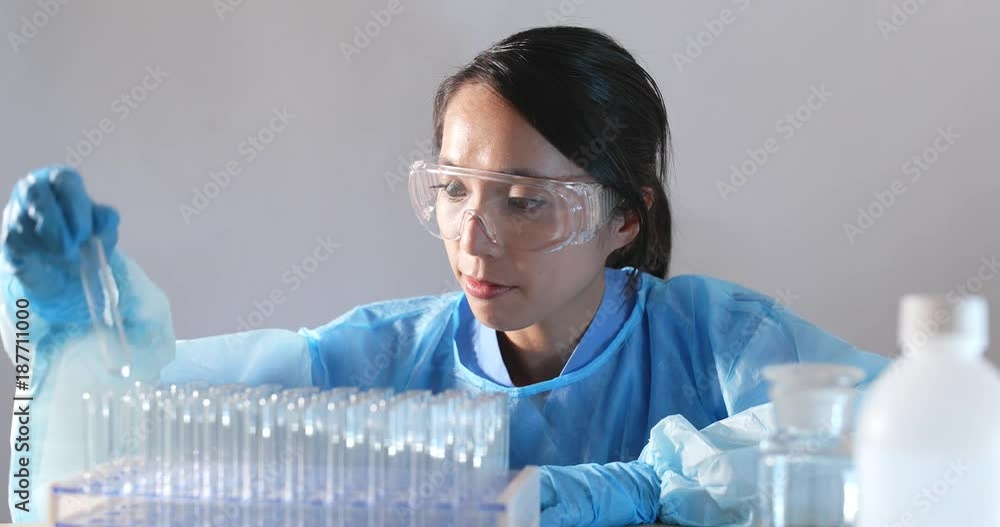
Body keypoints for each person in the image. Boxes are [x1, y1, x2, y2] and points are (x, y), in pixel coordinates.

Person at [1, 26, 888, 526]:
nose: (474, 236)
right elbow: (161, 418)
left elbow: (899, 437)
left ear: (624, 217)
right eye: (455, 190)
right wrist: (70, 332)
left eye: (524, 200)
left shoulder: (717, 340)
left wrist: (643, 486)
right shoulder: (387, 352)